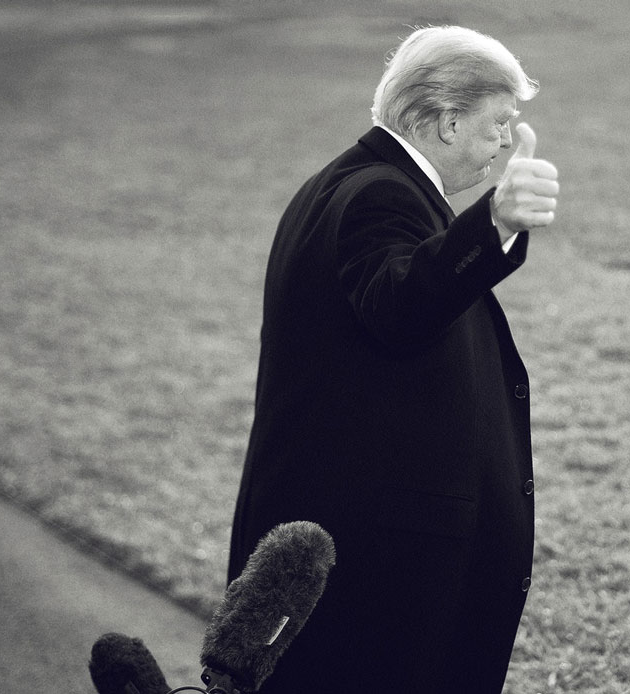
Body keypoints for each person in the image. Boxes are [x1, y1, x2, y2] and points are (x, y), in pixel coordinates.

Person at [227, 26, 560, 693]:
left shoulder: (347, 181)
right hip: (377, 568)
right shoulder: (379, 193)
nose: (504, 142)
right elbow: (400, 305)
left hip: (345, 545)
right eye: (497, 124)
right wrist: (493, 222)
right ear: (445, 119)